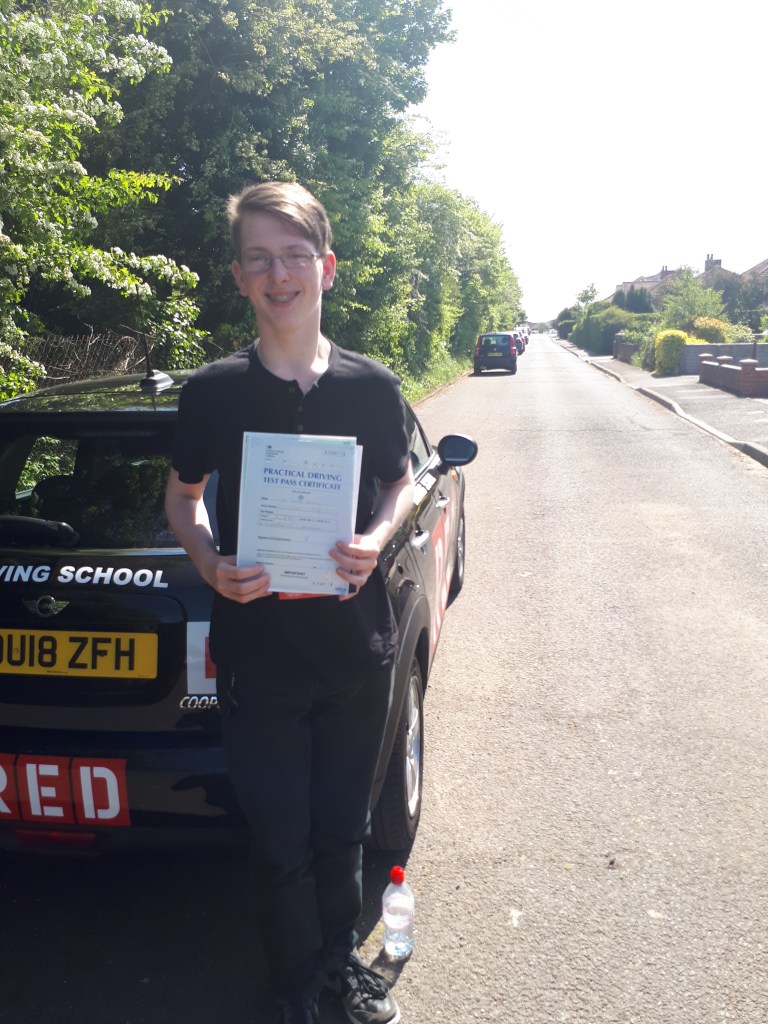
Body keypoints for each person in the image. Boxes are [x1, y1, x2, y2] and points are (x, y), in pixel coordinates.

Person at [165, 181, 414, 1024]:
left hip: (355, 654)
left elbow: (400, 484)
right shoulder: (212, 392)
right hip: (259, 659)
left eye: (295, 256)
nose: (280, 275)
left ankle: (338, 966)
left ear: (327, 268)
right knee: (278, 845)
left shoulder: (372, 387)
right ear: (239, 276)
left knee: (341, 831)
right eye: (261, 259)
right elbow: (184, 498)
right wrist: (206, 558)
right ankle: (295, 983)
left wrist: (378, 539)